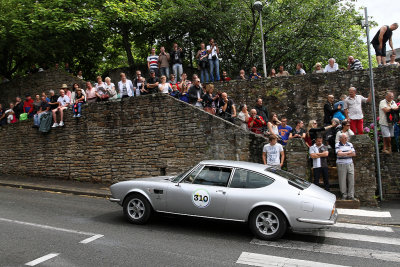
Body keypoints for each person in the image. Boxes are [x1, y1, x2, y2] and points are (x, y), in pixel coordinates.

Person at [336, 134, 356, 200]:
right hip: (341, 164)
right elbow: (339, 154)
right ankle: (344, 195)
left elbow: (354, 154)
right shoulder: (337, 144)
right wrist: (348, 152)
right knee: (342, 180)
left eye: (346, 137)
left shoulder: (350, 144)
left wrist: (344, 153)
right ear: (341, 139)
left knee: (351, 179)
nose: (346, 139)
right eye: (345, 138)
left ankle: (351, 195)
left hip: (350, 163)